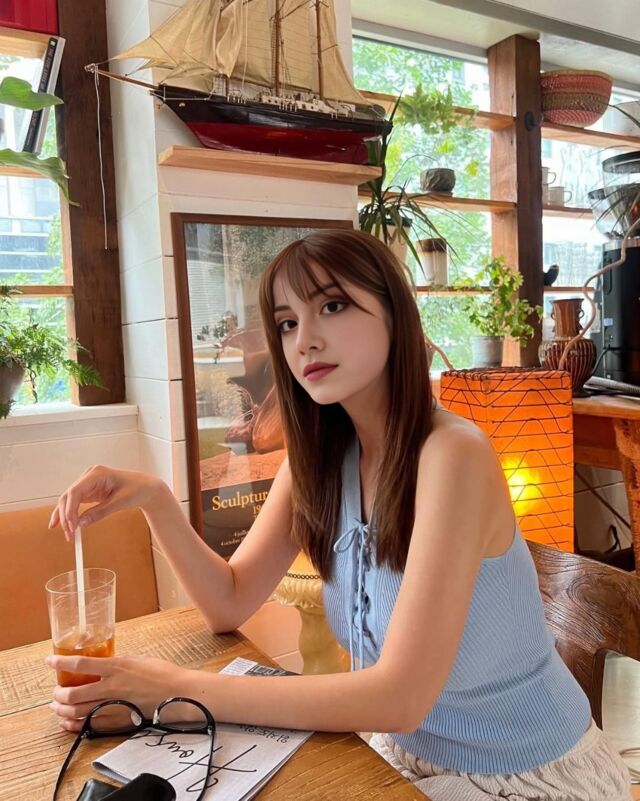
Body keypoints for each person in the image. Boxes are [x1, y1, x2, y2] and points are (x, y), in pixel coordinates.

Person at [48, 229, 631, 801]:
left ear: (394, 314)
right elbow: (228, 601)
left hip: (525, 776)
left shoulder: (452, 454)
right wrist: (155, 498)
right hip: (399, 757)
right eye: (287, 323)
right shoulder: (318, 463)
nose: (305, 340)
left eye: (332, 305)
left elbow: (399, 698)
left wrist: (173, 694)